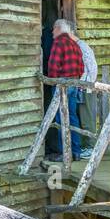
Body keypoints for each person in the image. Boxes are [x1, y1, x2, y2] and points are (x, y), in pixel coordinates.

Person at [44, 18, 85, 161]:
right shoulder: (75, 44)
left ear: (59, 29)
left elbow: (53, 65)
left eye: (54, 28)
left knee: (61, 119)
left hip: (62, 85)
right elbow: (81, 67)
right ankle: (76, 151)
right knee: (72, 117)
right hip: (74, 82)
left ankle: (65, 154)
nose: (52, 31)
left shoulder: (58, 42)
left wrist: (52, 81)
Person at [72, 29, 98, 158]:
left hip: (85, 87)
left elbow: (92, 68)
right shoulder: (77, 46)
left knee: (86, 117)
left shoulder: (83, 47)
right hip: (80, 86)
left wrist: (85, 85)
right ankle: (84, 146)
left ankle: (91, 147)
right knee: (81, 117)